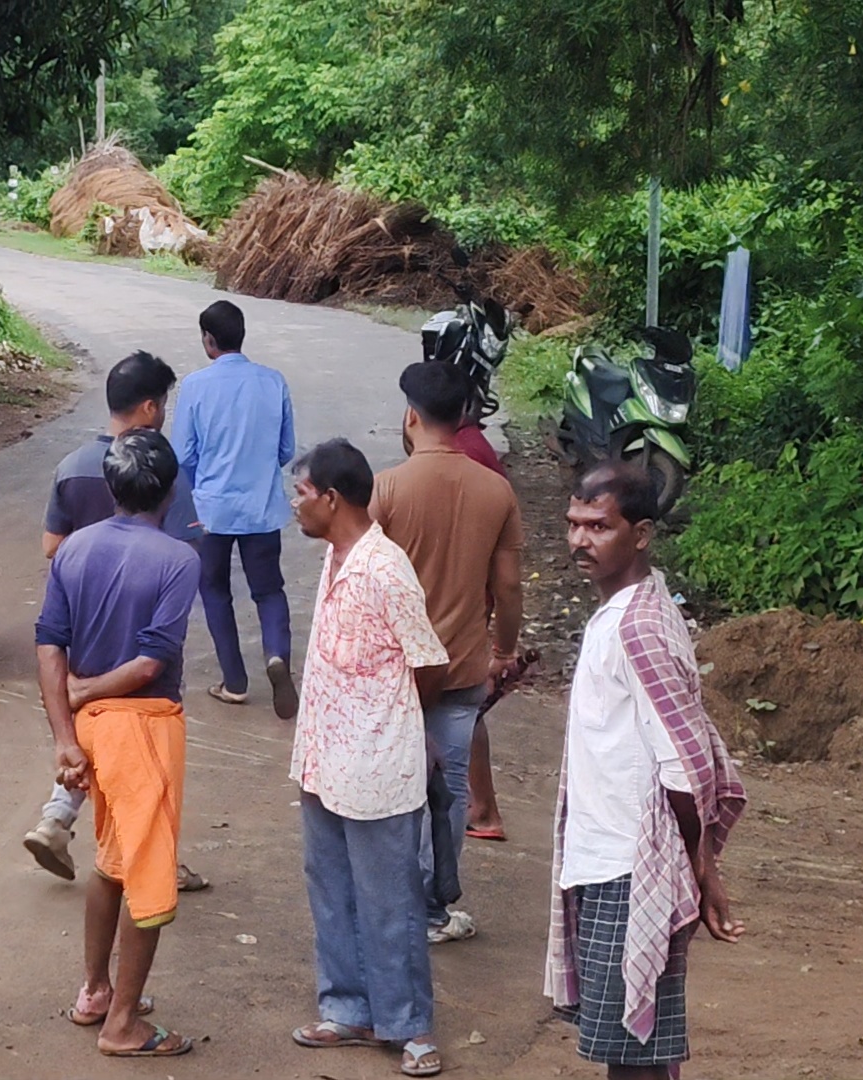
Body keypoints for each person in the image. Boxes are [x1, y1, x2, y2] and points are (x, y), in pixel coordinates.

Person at [544, 459, 747, 1080]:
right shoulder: (627, 611)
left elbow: (687, 772)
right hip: (609, 856)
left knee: (633, 1055)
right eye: (575, 524)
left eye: (599, 527)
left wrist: (696, 866)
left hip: (629, 866)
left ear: (642, 533)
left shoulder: (638, 628)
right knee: (638, 1047)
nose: (581, 540)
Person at [286, 439, 448, 1079]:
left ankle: (409, 1027)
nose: (294, 507)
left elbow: (427, 663)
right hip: (324, 759)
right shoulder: (335, 557)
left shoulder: (385, 568)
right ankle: (347, 1008)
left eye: (301, 495)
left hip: (378, 765)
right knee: (331, 889)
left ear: (331, 499)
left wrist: (398, 725)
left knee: (390, 900)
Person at [35, 428, 200, 1059]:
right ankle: (123, 1023)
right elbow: (152, 662)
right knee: (150, 876)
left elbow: (49, 643)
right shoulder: (177, 560)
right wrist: (85, 695)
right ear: (171, 490)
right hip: (145, 725)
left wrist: (65, 733)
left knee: (110, 860)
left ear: (111, 487)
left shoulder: (74, 549)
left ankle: (96, 991)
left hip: (94, 733)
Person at [24, 352, 206, 893]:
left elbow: (51, 546)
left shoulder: (74, 466)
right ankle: (148, 862)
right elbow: (186, 546)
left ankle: (60, 816)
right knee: (146, 760)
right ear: (150, 407)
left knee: (90, 739)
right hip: (146, 634)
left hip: (86, 627)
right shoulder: (162, 471)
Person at [374, 361, 525, 946]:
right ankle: (436, 908)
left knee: (396, 786)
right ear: (464, 416)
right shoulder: (496, 490)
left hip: (397, 674)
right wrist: (503, 649)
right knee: (451, 786)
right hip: (462, 667)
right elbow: (509, 586)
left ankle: (395, 903)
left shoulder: (386, 489)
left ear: (411, 415)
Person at [171, 300, 299, 717]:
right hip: (261, 507)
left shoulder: (195, 386)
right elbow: (286, 450)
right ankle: (277, 654)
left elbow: (183, 456)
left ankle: (235, 681)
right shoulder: (273, 381)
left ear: (208, 340)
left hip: (210, 511)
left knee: (214, 590)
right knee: (268, 589)